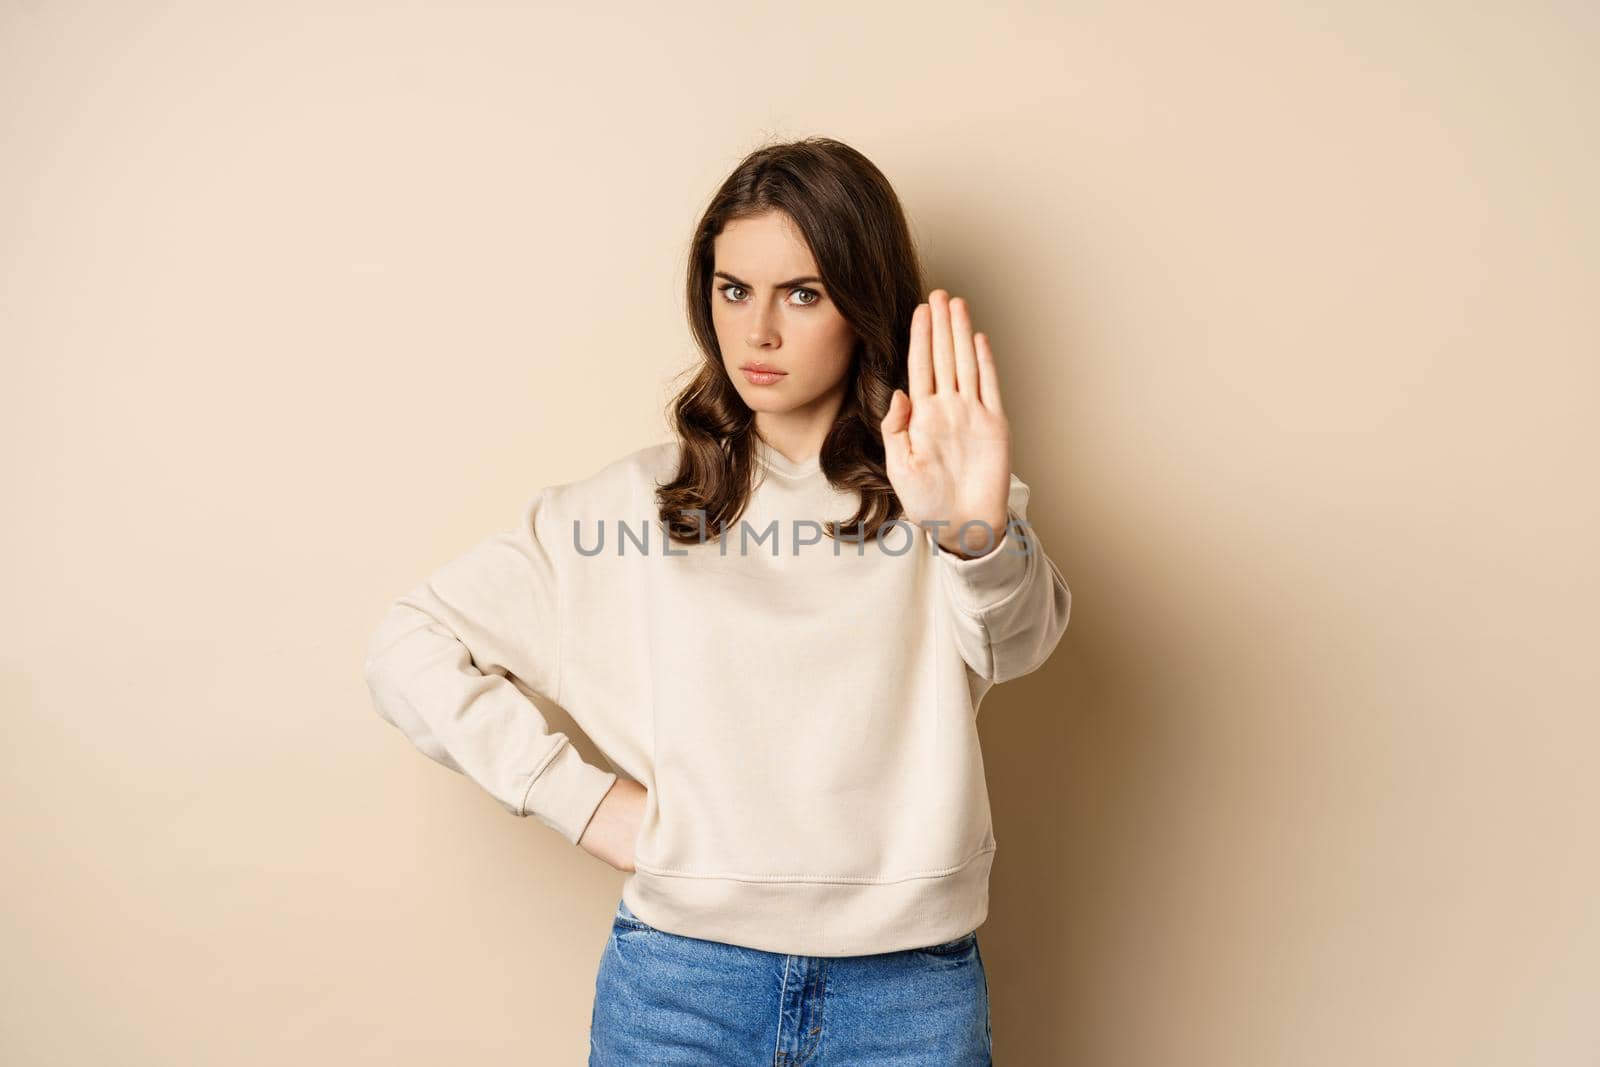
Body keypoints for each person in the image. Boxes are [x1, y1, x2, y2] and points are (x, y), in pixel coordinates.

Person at [361, 136, 1072, 1065]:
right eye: (734, 289)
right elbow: (408, 644)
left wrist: (969, 529)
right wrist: (579, 800)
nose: (758, 332)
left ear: (865, 302)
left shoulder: (947, 491)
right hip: (680, 990)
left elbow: (1018, 643)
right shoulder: (632, 507)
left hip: (909, 995)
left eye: (802, 293)